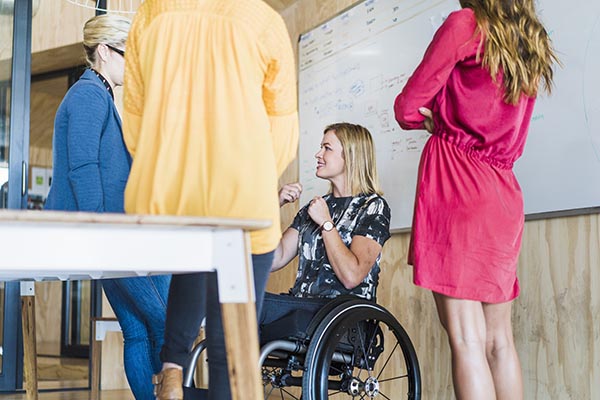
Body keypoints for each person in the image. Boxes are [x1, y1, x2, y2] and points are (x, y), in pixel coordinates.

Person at [121, 1, 299, 399]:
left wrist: (170, 168)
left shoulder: (151, 14)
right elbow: (283, 132)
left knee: (193, 263)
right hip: (243, 201)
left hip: (169, 197)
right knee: (230, 348)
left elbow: (134, 118)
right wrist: (248, 172)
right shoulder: (264, 22)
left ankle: (172, 370)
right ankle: (184, 371)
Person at [394, 1, 558, 399]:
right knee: (499, 341)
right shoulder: (530, 38)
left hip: (457, 187)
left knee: (467, 338)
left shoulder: (466, 24)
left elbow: (404, 108)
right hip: (502, 194)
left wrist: (437, 118)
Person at [44, 14, 170, 400]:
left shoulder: (99, 95)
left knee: (135, 330)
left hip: (110, 231)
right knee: (165, 318)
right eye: (127, 55)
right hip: (106, 233)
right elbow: (83, 169)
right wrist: (101, 230)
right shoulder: (87, 95)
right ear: (103, 51)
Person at [263, 122, 391, 328]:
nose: (318, 154)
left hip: (340, 317)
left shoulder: (372, 207)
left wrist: (326, 223)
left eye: (327, 148)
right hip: (303, 309)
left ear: (349, 155)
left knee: (254, 307)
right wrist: (271, 207)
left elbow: (351, 276)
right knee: (243, 304)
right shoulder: (313, 207)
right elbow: (274, 260)